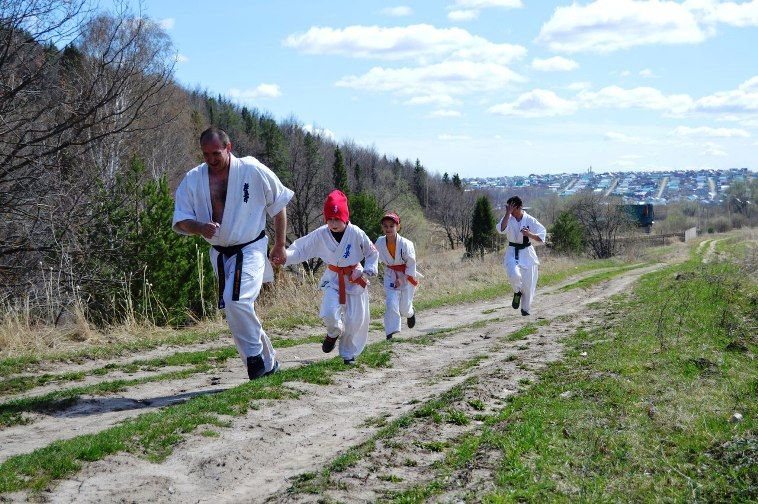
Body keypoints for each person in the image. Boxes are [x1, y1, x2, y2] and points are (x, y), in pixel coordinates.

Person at [172, 127, 293, 380]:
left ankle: (254, 359)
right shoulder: (194, 178)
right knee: (233, 306)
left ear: (229, 148)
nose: (211, 159)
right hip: (220, 253)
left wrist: (280, 244)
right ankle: (269, 362)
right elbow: (182, 220)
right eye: (206, 154)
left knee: (237, 300)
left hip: (250, 247)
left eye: (216, 153)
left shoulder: (251, 169)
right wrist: (200, 227)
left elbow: (279, 204)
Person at [280, 190, 378, 364]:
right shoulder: (321, 234)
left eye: (337, 219)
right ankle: (333, 332)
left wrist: (369, 268)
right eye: (330, 219)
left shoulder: (356, 232)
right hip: (333, 278)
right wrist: (284, 256)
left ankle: (348, 354)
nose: (333, 223)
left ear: (345, 218)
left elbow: (371, 252)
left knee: (355, 320)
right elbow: (302, 248)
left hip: (354, 276)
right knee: (328, 312)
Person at [497, 196, 546, 316]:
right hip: (512, 251)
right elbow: (501, 229)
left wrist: (529, 234)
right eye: (508, 208)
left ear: (519, 207)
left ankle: (525, 309)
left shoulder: (529, 220)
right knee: (514, 275)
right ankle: (517, 292)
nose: (510, 211)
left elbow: (541, 236)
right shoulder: (508, 218)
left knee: (528, 284)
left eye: (512, 208)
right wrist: (507, 213)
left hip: (527, 253)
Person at [375, 212, 420, 340]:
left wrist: (403, 278)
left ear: (398, 227)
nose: (388, 229)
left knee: (404, 308)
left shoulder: (406, 244)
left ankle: (410, 313)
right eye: (385, 226)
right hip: (390, 274)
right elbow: (373, 256)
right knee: (391, 302)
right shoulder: (379, 242)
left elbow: (411, 264)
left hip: (406, 274)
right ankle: (390, 332)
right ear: (382, 228)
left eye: (391, 226)